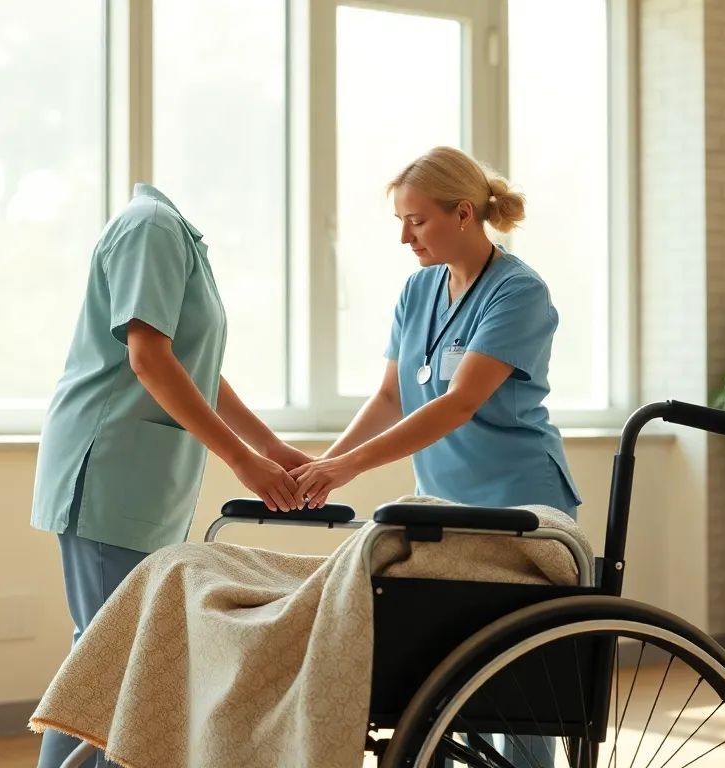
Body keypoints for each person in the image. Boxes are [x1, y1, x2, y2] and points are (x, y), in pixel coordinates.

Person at [290, 146, 581, 767]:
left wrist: (344, 468)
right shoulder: (418, 289)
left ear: (464, 213)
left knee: (517, 693)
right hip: (445, 510)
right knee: (439, 682)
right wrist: (323, 469)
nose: (405, 237)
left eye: (417, 221)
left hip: (519, 509)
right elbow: (391, 397)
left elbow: (458, 403)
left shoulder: (518, 291)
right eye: (402, 222)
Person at [30, 183, 312, 768]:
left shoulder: (178, 238)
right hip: (111, 467)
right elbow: (149, 359)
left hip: (142, 474)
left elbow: (195, 367)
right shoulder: (152, 228)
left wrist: (268, 446)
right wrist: (241, 460)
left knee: (121, 656)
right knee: (108, 660)